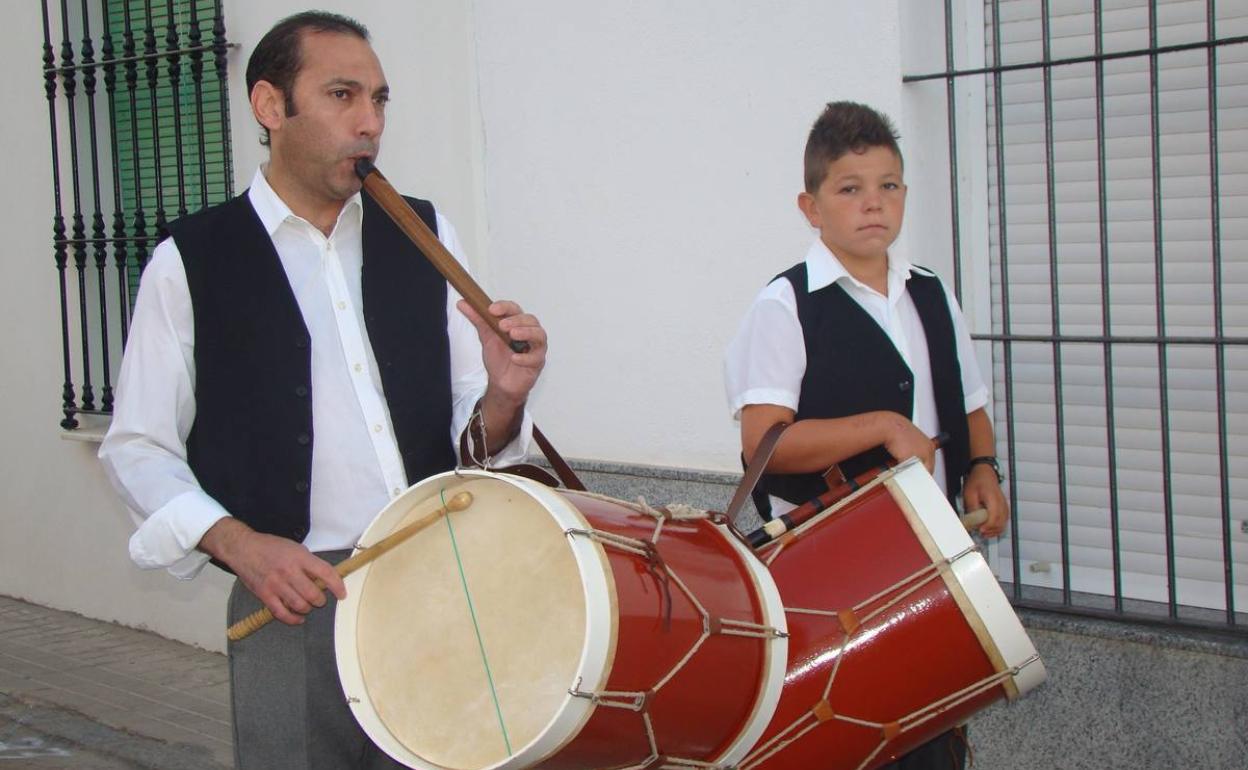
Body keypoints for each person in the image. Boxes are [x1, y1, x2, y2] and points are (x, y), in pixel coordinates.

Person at [98, 11, 546, 769]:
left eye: (379, 101)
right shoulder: (192, 260)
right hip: (291, 603)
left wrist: (504, 397)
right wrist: (240, 546)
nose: (369, 123)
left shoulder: (424, 234)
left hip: (441, 588)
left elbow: (475, 438)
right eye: (343, 95)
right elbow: (138, 448)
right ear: (271, 108)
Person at [723, 101, 1009, 768]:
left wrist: (984, 467)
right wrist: (881, 426)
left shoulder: (932, 293)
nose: (872, 204)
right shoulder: (784, 306)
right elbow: (763, 447)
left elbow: (968, 405)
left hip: (931, 562)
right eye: (849, 189)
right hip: (829, 577)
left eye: (887, 187)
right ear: (811, 205)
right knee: (852, 740)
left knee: (936, 737)